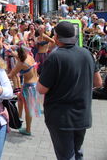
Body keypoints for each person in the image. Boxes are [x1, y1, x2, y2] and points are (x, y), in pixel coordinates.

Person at [37, 21, 102, 160]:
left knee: (66, 156)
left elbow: (41, 89)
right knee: (77, 153)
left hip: (61, 118)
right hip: (82, 115)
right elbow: (98, 82)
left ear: (56, 37)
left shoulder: (55, 57)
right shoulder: (87, 53)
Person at [8, 46, 41, 136]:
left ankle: (28, 129)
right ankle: (18, 117)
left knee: (28, 110)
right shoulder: (29, 56)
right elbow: (16, 54)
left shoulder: (21, 63)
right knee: (20, 98)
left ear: (19, 55)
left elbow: (11, 75)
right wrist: (10, 50)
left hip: (29, 87)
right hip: (34, 83)